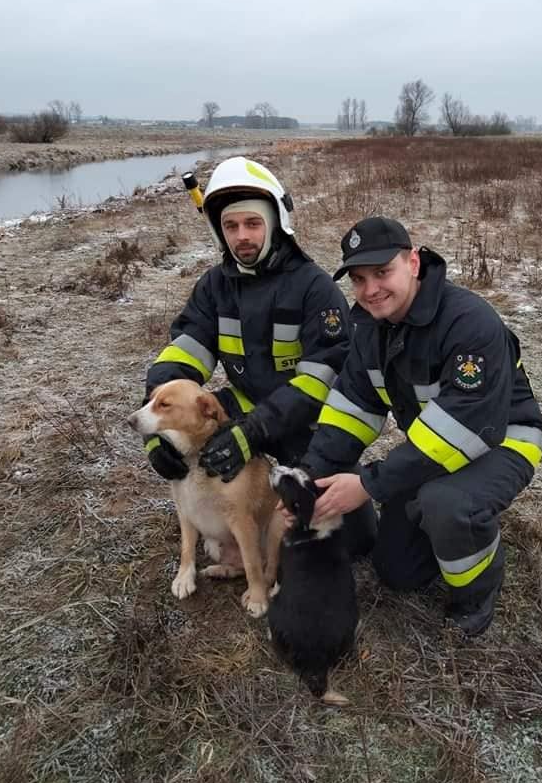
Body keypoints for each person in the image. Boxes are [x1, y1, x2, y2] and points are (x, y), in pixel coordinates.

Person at [298, 216, 542, 636]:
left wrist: (370, 485)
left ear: (413, 262)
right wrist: (311, 473)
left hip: (502, 442)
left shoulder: (469, 322)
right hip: (433, 448)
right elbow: (351, 409)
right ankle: (450, 529)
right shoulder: (369, 330)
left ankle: (477, 590)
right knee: (396, 572)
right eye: (359, 279)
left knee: (446, 503)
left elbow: (467, 426)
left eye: (382, 272)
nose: (371, 289)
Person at [142, 156, 376, 554]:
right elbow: (179, 358)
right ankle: (224, 524)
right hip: (243, 408)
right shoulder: (214, 287)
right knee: (188, 440)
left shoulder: (314, 289)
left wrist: (253, 433)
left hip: (304, 424)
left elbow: (323, 380)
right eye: (230, 226)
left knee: (352, 542)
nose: (242, 236)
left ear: (275, 224)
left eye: (252, 223)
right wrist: (156, 428)